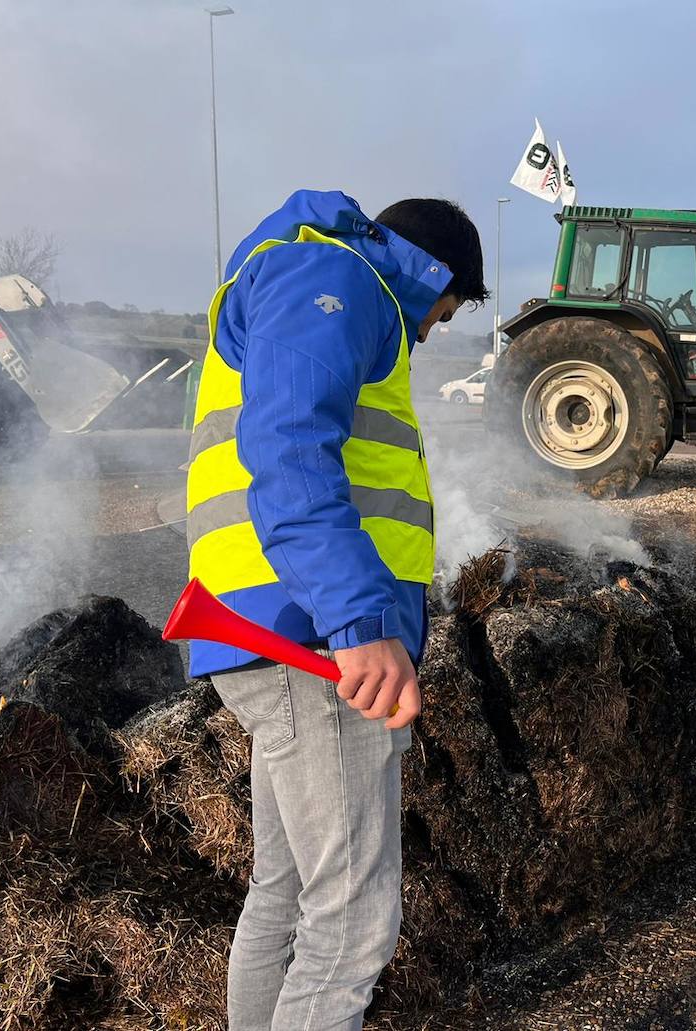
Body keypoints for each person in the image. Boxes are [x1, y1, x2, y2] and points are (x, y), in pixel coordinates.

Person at [184, 189, 487, 1030]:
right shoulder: (340, 277)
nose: (432, 332)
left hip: (263, 627)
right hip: (310, 636)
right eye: (446, 311)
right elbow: (288, 445)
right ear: (432, 276)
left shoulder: (302, 268)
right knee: (353, 925)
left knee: (283, 895)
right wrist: (361, 623)